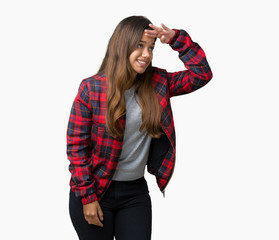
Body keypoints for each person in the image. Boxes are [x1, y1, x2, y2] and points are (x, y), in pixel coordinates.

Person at [67, 15, 212, 240]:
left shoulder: (158, 83)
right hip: (96, 191)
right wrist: (88, 198)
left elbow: (201, 74)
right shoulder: (91, 88)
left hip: (134, 193)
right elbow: (77, 149)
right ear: (122, 45)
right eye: (139, 46)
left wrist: (176, 39)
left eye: (151, 48)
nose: (146, 54)